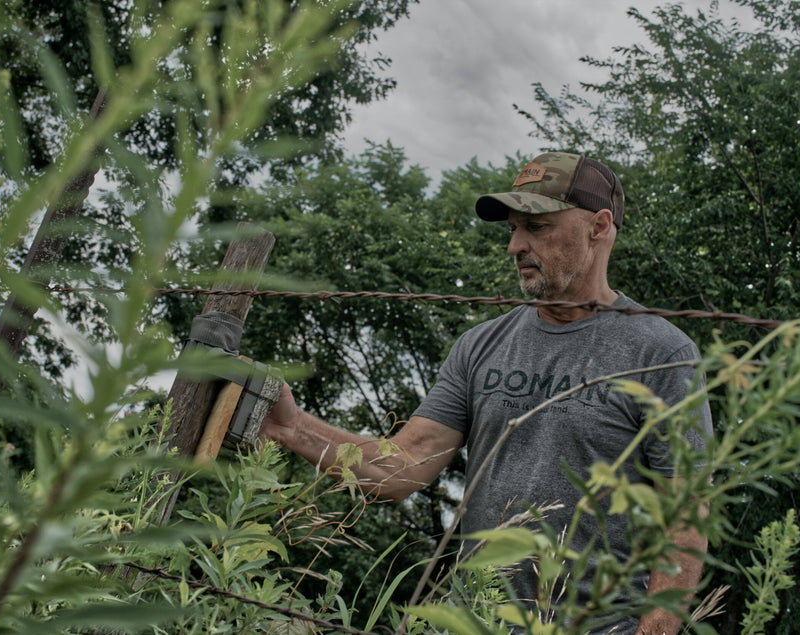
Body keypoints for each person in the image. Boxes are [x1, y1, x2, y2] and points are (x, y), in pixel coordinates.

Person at [260, 152, 713, 634]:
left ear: (598, 227)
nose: (514, 245)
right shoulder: (480, 346)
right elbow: (398, 469)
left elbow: (685, 516)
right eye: (513, 229)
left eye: (536, 227)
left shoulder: (661, 353)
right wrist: (291, 427)